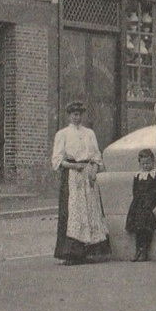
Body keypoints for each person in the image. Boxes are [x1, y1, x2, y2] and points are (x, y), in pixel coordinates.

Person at [51, 99, 110, 265]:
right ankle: (72, 252)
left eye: (79, 115)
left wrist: (93, 169)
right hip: (72, 175)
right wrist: (73, 165)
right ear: (69, 116)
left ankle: (91, 251)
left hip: (87, 174)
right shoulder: (62, 134)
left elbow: (96, 155)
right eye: (74, 114)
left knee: (91, 210)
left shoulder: (89, 133)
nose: (77, 118)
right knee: (74, 211)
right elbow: (57, 159)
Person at [125, 148, 156, 261]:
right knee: (138, 229)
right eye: (143, 163)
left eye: (148, 163)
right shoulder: (138, 175)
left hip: (150, 206)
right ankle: (138, 251)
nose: (146, 166)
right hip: (138, 206)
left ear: (153, 161)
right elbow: (135, 191)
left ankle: (145, 251)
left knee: (147, 229)